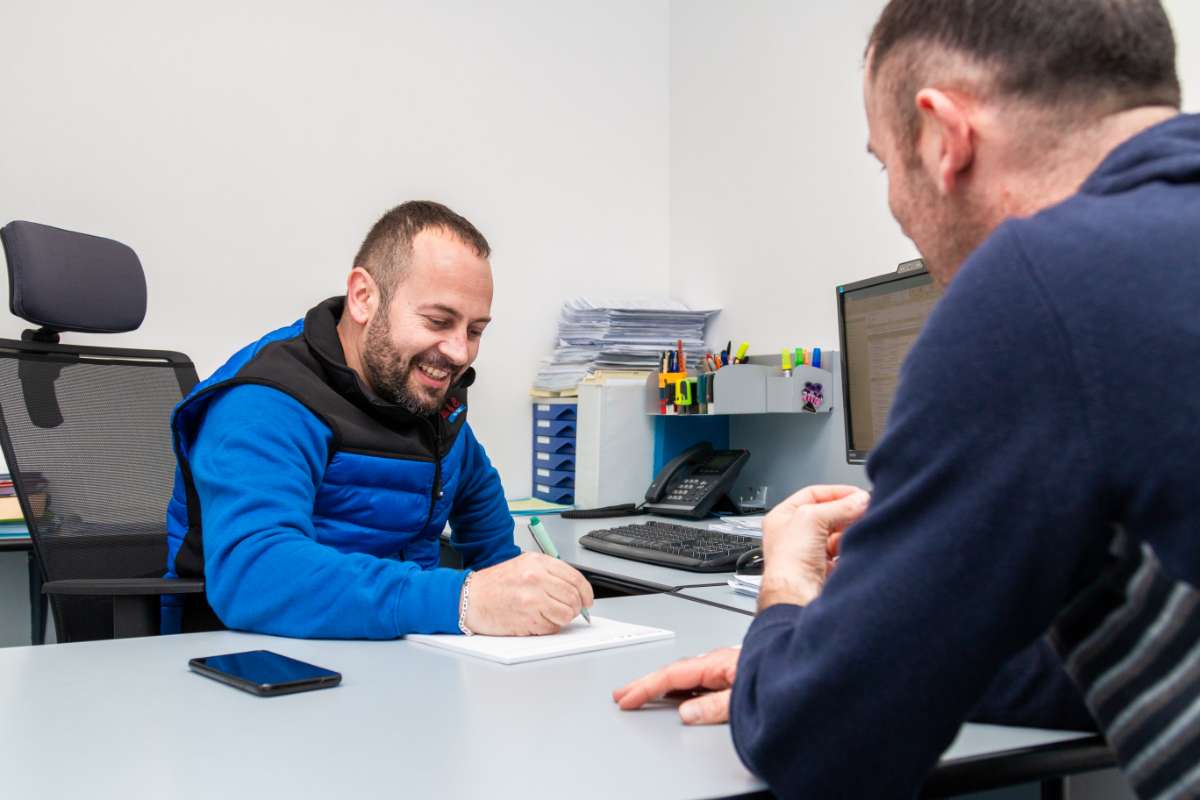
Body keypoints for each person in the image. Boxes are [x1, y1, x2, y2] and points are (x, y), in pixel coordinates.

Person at [615, 1, 1200, 797]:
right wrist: (842, 658)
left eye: (884, 163)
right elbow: (1105, 662)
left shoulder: (1037, 284)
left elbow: (820, 748)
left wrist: (786, 600)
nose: (896, 205)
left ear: (942, 136)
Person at [163, 201, 593, 638]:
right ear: (363, 297)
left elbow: (487, 527)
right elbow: (255, 575)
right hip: (261, 656)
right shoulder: (263, 402)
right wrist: (464, 600)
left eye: (475, 330)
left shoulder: (422, 398)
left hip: (400, 653)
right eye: (438, 321)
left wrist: (527, 592)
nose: (459, 351)